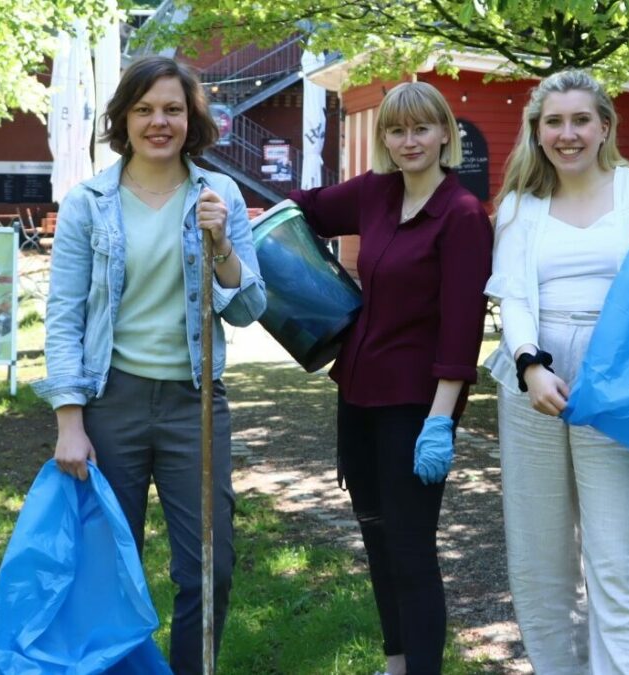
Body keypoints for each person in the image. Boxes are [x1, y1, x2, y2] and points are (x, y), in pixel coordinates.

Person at [31, 56, 266, 674]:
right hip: (113, 403)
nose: (158, 122)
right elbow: (63, 316)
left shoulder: (222, 196)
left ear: (192, 119)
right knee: (110, 568)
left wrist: (222, 248)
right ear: (123, 119)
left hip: (195, 403)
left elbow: (247, 309)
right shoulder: (89, 203)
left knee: (208, 569)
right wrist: (69, 420)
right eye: (144, 110)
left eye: (172, 109)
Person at [484, 69, 629, 674]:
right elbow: (515, 297)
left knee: (617, 557)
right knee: (538, 558)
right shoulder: (520, 207)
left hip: (619, 385)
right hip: (534, 383)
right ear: (537, 131)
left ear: (605, 126)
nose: (568, 133)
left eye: (581, 119)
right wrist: (529, 365)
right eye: (554, 121)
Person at [286, 81, 493, 675]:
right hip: (358, 392)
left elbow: (462, 327)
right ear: (384, 139)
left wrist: (439, 420)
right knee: (375, 534)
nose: (410, 141)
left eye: (422, 128)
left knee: (410, 547)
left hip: (416, 405)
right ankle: (397, 662)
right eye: (397, 131)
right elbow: (306, 207)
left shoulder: (461, 216)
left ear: (445, 134)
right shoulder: (377, 194)